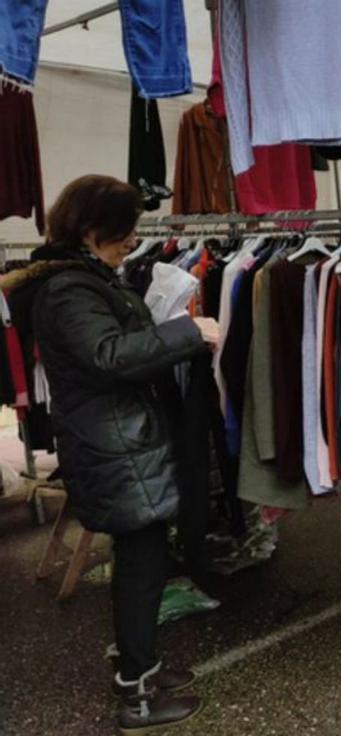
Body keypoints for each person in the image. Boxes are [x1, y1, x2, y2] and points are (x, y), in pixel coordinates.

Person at [10, 175, 219, 732]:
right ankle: (138, 695)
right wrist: (186, 332)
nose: (133, 240)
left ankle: (142, 667)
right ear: (93, 229)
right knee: (141, 566)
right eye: (125, 230)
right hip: (115, 446)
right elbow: (107, 356)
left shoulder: (83, 279)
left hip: (122, 441)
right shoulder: (68, 290)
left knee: (144, 563)